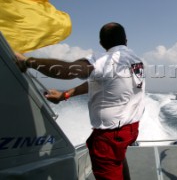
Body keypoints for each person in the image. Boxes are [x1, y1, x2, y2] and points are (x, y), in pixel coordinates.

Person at [15, 22, 145, 180]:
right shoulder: (135, 59)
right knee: (117, 158)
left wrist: (29, 62)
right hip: (130, 129)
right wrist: (65, 95)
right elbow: (97, 82)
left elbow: (69, 70)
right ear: (126, 40)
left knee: (110, 161)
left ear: (102, 44)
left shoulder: (104, 60)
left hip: (110, 135)